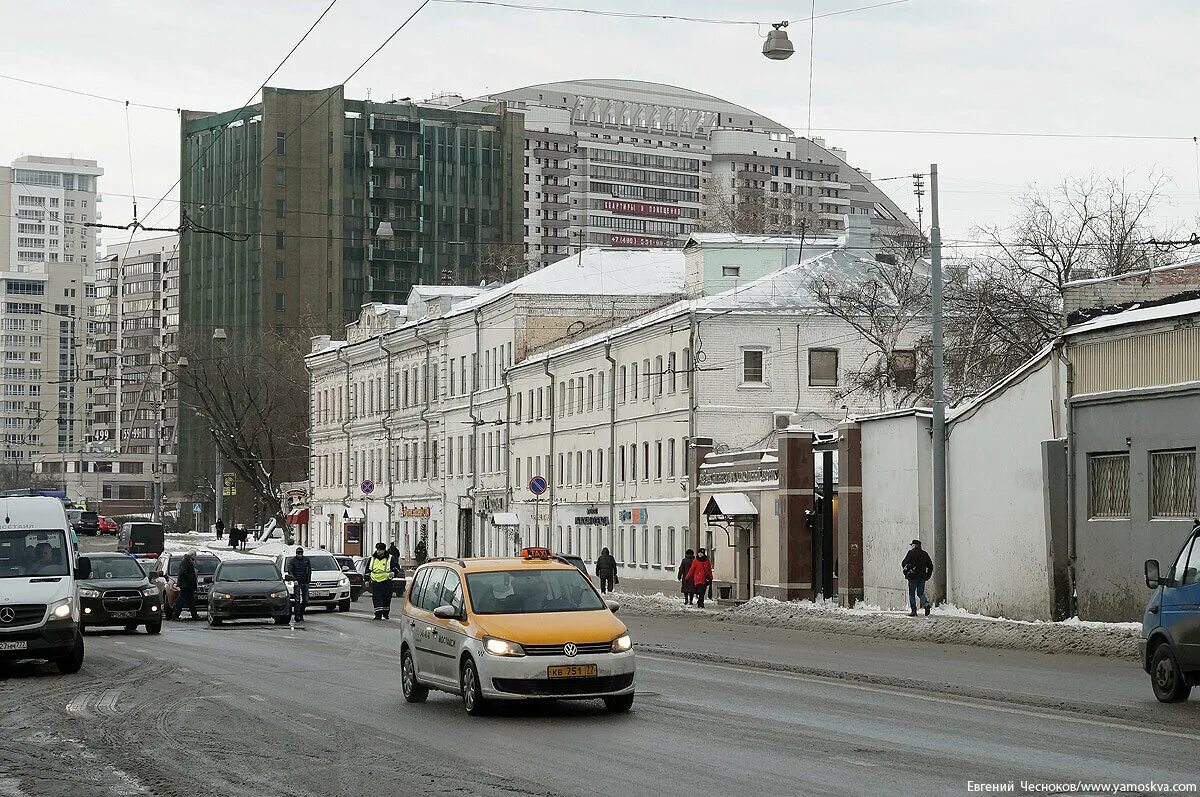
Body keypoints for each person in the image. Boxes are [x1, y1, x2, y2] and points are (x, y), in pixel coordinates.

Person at [901, 539, 934, 617]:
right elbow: (930, 566)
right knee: (920, 593)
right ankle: (926, 604)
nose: (911, 546)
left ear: (914, 545)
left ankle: (914, 611)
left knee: (912, 594)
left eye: (912, 545)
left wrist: (907, 569)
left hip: (912, 576)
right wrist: (928, 575)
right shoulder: (924, 554)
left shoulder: (911, 553)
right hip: (922, 577)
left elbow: (903, 563)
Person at [368, 543, 397, 620]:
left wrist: (393, 572)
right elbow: (368, 570)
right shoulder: (372, 558)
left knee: (386, 598)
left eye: (380, 550)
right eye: (377, 550)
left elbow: (396, 567)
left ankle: (385, 613)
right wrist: (367, 579)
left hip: (386, 581)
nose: (378, 551)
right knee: (376, 598)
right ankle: (378, 614)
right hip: (375, 581)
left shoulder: (390, 558)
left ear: (384, 550)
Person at [286, 547, 313, 622]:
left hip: (305, 582)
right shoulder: (293, 561)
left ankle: (301, 613)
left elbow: (309, 570)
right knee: (297, 600)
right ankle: (297, 616)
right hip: (297, 582)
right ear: (296, 553)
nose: (300, 555)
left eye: (301, 553)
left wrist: (308, 580)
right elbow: (290, 570)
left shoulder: (306, 560)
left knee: (306, 600)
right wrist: (294, 579)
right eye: (298, 553)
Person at [172, 552, 200, 621]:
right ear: (192, 555)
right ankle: (176, 614)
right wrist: (190, 578)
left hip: (188, 585)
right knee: (182, 600)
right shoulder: (186, 562)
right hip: (185, 585)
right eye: (195, 555)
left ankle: (194, 616)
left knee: (190, 601)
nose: (195, 557)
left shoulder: (189, 561)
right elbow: (183, 572)